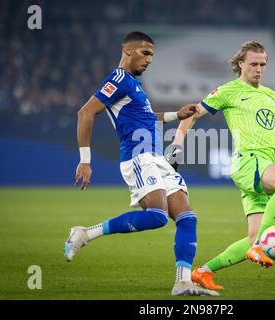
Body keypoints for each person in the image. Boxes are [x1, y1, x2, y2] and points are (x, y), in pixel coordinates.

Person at [166, 41, 275, 290]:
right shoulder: (228, 91)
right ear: (240, 64)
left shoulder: (271, 96)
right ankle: (258, 247)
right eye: (253, 64)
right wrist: (177, 146)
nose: (258, 69)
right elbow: (192, 113)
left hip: (264, 165)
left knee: (253, 238)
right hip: (249, 161)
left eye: (263, 64)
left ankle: (202, 272)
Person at [64, 31, 218, 296]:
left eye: (152, 55)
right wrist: (85, 160)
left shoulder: (135, 86)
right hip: (138, 158)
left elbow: (146, 117)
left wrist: (174, 115)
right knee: (157, 217)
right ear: (127, 50)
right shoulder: (119, 78)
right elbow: (86, 112)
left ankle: (182, 282)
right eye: (145, 53)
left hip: (157, 159)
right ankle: (84, 233)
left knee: (187, 218)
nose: (149, 60)